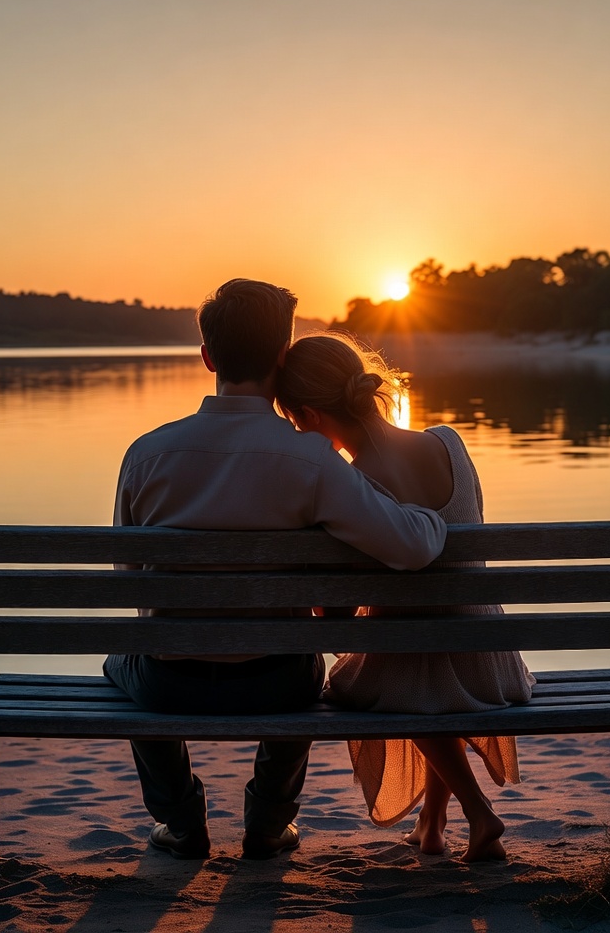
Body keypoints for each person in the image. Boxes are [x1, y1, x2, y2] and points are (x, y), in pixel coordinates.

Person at [103, 279, 447, 862]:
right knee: (305, 660)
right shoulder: (310, 459)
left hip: (170, 684)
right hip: (277, 680)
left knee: (125, 656)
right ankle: (267, 822)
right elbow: (412, 548)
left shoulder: (147, 454)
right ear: (282, 357)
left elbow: (127, 575)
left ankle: (182, 822)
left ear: (208, 357)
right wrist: (428, 517)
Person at [275, 331, 535, 863]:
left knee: (379, 678)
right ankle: (432, 821)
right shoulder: (448, 442)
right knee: (427, 662)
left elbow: (342, 616)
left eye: (291, 420)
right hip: (489, 657)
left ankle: (479, 813)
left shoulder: (354, 489)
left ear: (307, 415)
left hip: (418, 665)